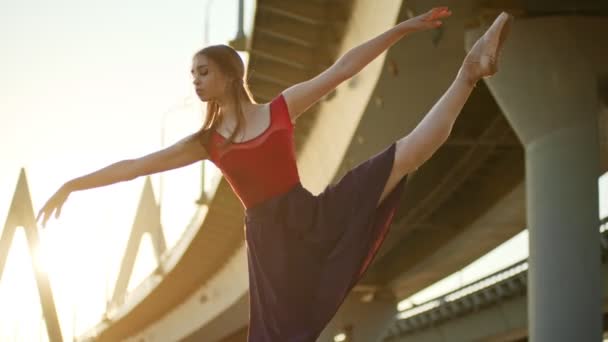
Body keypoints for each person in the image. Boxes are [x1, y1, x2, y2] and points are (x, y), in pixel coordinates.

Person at [36, 7, 512, 342]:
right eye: (192, 74)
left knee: (407, 153)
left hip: (313, 217)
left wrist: (404, 28)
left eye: (202, 71)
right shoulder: (208, 143)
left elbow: (344, 67)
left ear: (227, 73)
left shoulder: (281, 109)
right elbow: (136, 166)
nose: (195, 81)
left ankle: (469, 71)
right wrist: (73, 184)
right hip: (273, 254)